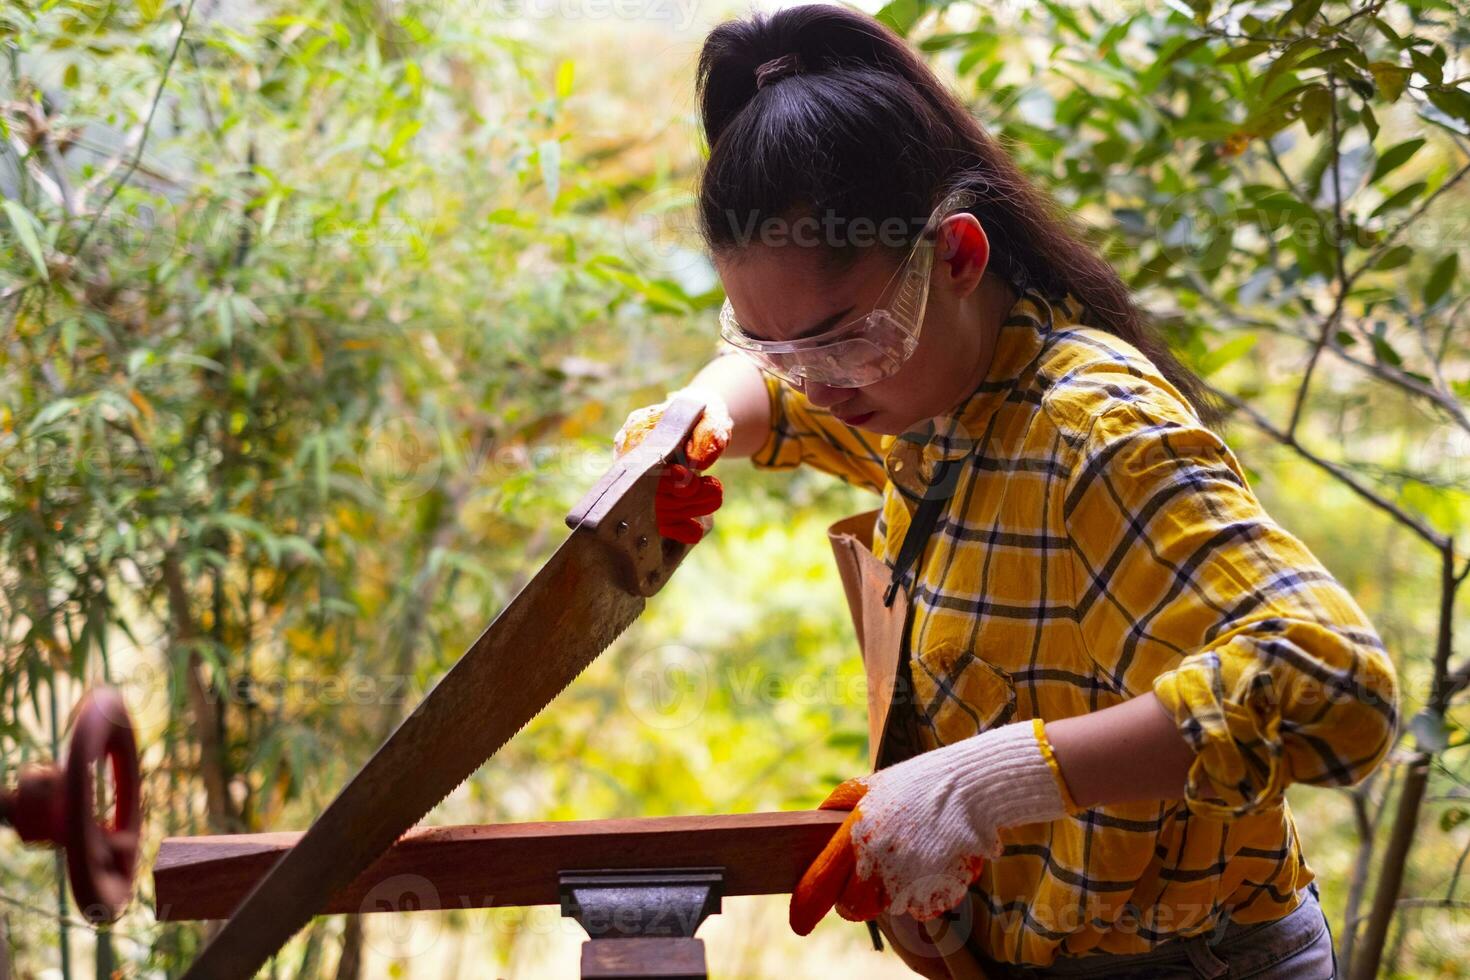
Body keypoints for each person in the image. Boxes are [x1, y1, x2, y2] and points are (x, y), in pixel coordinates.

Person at [613, 5, 1397, 977]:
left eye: (839, 339)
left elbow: (1336, 684)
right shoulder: (930, 405)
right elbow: (786, 399)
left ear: (956, 256)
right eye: (770, 342)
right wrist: (701, 411)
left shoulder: (1092, 429)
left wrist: (976, 787)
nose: (816, 382)